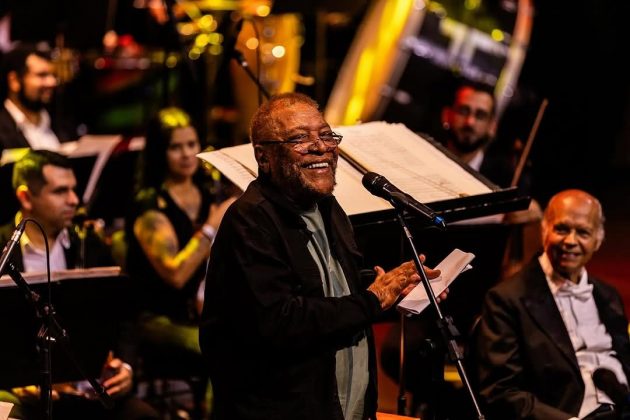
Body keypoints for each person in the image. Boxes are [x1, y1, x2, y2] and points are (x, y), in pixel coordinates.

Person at [199, 92, 445, 420]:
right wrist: (374, 299)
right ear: (264, 157)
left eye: (326, 134)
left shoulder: (328, 207)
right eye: (300, 138)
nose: (321, 147)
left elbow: (335, 285)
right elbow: (282, 322)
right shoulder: (250, 220)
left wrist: (395, 286)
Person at [0, 149, 158, 419]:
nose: (75, 200)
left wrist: (127, 369)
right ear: (26, 197)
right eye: (60, 191)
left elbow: (126, 317)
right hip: (25, 393)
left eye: (74, 189)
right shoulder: (2, 249)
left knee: (143, 415)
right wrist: (16, 380)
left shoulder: (88, 243)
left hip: (88, 389)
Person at [473, 189, 630, 419]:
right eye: (562, 229)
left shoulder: (608, 296)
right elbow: (501, 393)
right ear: (544, 230)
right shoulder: (507, 299)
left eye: (583, 232)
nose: (570, 241)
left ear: (598, 239)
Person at [125, 107, 235, 416]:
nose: (187, 154)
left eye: (191, 144)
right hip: (157, 317)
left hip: (200, 310)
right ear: (160, 152)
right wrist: (212, 226)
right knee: (224, 349)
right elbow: (175, 274)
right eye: (176, 147)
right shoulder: (149, 203)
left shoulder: (206, 191)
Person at [0, 44, 70, 153]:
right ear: (14, 81)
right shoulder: (3, 128)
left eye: (53, 75)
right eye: (42, 75)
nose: (52, 82)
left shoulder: (59, 121)